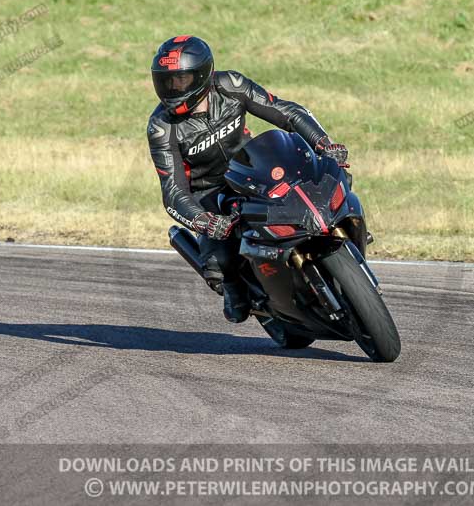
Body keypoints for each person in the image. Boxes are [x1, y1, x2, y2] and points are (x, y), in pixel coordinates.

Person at [147, 35, 348, 323]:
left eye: (180, 80)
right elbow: (173, 191)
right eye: (165, 81)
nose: (172, 88)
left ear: (203, 74)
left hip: (254, 168)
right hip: (210, 192)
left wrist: (322, 143)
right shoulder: (161, 127)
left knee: (327, 178)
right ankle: (233, 288)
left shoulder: (230, 85)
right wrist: (203, 220)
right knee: (220, 262)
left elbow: (285, 112)